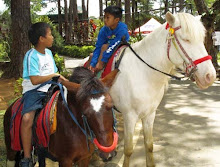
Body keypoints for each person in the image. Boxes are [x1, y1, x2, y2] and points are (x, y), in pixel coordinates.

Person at [20, 22, 68, 167]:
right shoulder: (31, 55)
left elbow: (56, 75)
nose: (52, 37)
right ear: (41, 38)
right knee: (27, 119)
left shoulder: (48, 53)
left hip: (51, 87)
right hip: (34, 91)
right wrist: (53, 75)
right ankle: (27, 157)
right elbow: (34, 80)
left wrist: (68, 83)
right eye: (50, 34)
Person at [88, 5, 129, 73]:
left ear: (116, 20)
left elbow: (114, 45)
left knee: (105, 47)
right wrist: (93, 63)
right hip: (105, 51)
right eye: (104, 17)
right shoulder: (104, 30)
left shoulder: (122, 30)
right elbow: (98, 46)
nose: (105, 20)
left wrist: (102, 61)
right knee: (91, 56)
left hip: (119, 49)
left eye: (108, 18)